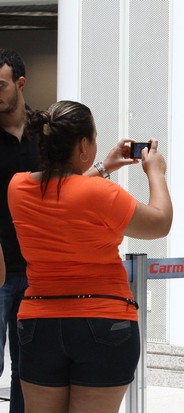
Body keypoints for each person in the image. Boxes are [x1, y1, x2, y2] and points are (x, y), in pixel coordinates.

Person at [7, 100, 173, 413]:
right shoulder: (101, 195)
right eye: (94, 139)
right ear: (83, 146)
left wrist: (104, 167)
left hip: (39, 323)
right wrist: (156, 172)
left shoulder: (17, 188)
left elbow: (64, 194)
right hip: (103, 320)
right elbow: (160, 222)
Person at [0, 48, 39, 413]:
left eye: (0, 85)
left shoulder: (46, 130)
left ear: (20, 83)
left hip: (37, 272)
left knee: (27, 369)